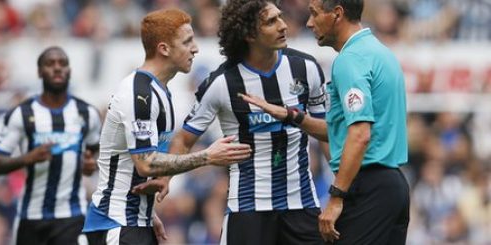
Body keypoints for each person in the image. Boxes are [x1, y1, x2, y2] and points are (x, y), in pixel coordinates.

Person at [239, 0, 410, 244]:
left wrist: (336, 196)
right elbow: (342, 131)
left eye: (314, 14)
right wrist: (293, 116)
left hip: (368, 186)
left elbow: (360, 135)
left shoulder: (350, 60)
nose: (309, 23)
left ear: (337, 14)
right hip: (392, 186)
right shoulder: (379, 52)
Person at [82, 8, 251, 245]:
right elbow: (146, 163)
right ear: (164, 48)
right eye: (187, 41)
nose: (195, 48)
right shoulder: (139, 93)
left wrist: (149, 214)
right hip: (116, 224)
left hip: (137, 221)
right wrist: (207, 157)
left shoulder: (161, 92)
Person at [169, 1, 327, 244]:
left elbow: (326, 132)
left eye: (280, 17)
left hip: (302, 205)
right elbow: (184, 138)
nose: (284, 25)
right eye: (271, 21)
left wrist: (341, 189)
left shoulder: (306, 68)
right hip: (248, 208)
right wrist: (164, 178)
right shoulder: (222, 83)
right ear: (249, 34)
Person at [0, 46, 102, 245]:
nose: (57, 68)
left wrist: (89, 165)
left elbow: (94, 152)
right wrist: (27, 158)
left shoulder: (86, 113)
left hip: (72, 215)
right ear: (39, 72)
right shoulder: (22, 114)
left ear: (70, 71)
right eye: (50, 64)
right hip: (32, 216)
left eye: (63, 64)